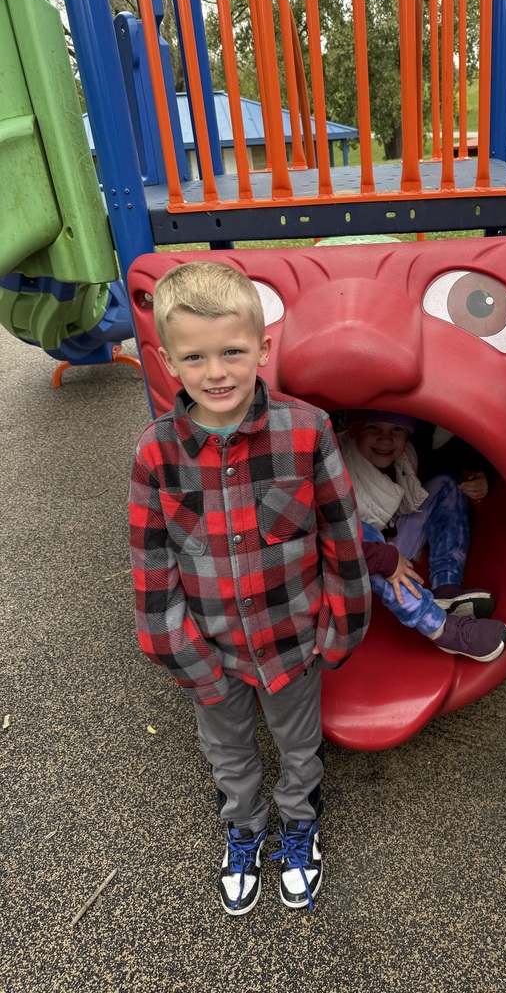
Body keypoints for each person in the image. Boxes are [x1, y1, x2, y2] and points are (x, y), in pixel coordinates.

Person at [129, 261, 371, 916]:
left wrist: (341, 625)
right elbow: (151, 569)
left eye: (233, 352)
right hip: (208, 648)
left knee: (300, 745)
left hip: (292, 640)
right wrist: (182, 656)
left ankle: (299, 824)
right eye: (195, 357)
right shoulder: (156, 453)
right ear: (167, 362)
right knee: (227, 751)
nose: (216, 372)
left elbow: (341, 538)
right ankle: (243, 827)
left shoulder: (307, 430)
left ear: (263, 349)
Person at [338, 409, 506, 662]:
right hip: (347, 566)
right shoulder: (335, 463)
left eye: (397, 429)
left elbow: (450, 457)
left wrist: (484, 477)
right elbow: (332, 536)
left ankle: (446, 587)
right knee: (362, 532)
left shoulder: (406, 456)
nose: (386, 439)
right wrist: (383, 557)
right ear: (353, 430)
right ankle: (440, 628)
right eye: (373, 427)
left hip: (390, 545)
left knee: (449, 485)